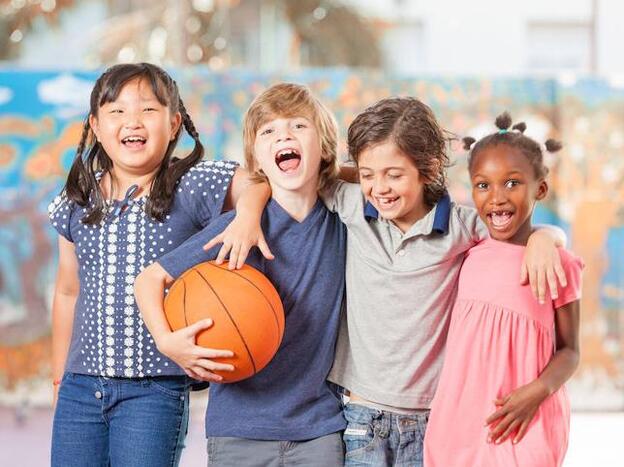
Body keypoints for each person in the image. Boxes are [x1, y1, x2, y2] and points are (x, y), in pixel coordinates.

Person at [212, 97, 569, 466]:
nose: (380, 188)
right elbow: (284, 178)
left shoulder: (462, 227)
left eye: (394, 175)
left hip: (432, 419)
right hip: (360, 417)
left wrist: (547, 238)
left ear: (428, 169)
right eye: (368, 175)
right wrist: (249, 210)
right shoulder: (350, 203)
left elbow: (514, 227)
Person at [48, 62, 251, 467]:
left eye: (148, 110)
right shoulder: (76, 200)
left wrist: (245, 218)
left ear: (174, 123)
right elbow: (68, 291)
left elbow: (258, 183)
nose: (132, 121)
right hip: (80, 387)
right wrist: (59, 380)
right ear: (96, 125)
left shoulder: (191, 183)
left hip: (154, 389)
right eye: (117, 111)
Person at [134, 82, 347, 467]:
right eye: (268, 131)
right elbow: (149, 280)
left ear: (325, 146)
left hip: (319, 428)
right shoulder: (236, 227)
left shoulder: (344, 221)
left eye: (299, 126)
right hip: (238, 428)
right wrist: (167, 342)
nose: (283, 134)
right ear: (256, 162)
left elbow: (373, 174)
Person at [423, 113, 582, 467]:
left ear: (540, 188)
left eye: (512, 183)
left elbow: (570, 350)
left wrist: (537, 392)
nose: (497, 198)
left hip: (530, 419)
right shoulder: (466, 253)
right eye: (483, 185)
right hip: (460, 423)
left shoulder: (560, 263)